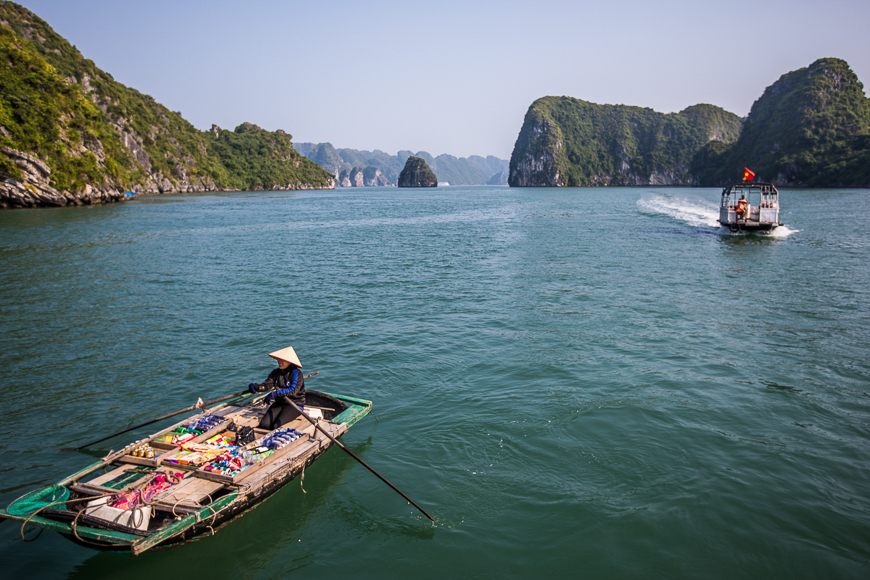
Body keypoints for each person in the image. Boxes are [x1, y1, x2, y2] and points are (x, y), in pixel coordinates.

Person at [249, 346, 307, 430]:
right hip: (280, 402)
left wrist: (274, 394)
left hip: (295, 404)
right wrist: (256, 386)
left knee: (276, 426)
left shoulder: (296, 373)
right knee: (264, 425)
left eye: (282, 360)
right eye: (278, 359)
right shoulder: (275, 372)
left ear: (289, 361)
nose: (279, 362)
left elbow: (293, 391)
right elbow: (267, 385)